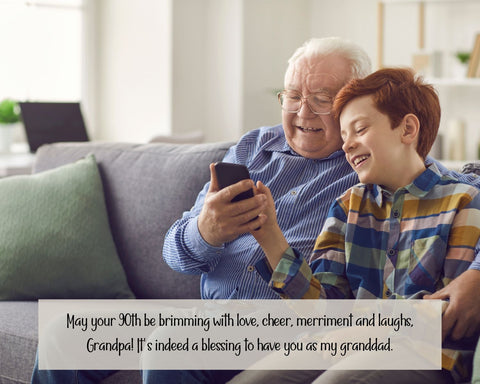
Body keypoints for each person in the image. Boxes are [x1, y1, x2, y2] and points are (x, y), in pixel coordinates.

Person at [31, 37, 480, 384]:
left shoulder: (368, 167)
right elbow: (175, 253)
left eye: (323, 99)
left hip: (287, 325)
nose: (303, 111)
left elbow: (448, 186)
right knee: (68, 334)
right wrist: (204, 231)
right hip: (212, 316)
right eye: (291, 95)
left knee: (173, 345)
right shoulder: (253, 147)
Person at [233, 67, 480, 384]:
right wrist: (269, 235)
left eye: (359, 130)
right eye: (344, 135)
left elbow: (448, 315)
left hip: (425, 355)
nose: (347, 145)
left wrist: (360, 331)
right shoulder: (348, 206)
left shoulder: (462, 201)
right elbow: (324, 310)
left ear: (407, 129)